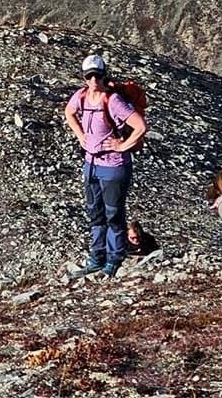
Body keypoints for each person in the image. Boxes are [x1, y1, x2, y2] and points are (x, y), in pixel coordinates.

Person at [63, 51, 147, 277]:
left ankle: (114, 258)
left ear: (104, 75)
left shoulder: (114, 101)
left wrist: (122, 146)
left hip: (114, 166)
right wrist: (80, 136)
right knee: (95, 213)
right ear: (83, 77)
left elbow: (140, 126)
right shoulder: (81, 96)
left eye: (98, 76)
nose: (93, 81)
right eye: (89, 77)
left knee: (113, 213)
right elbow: (69, 112)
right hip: (90, 163)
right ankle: (97, 257)